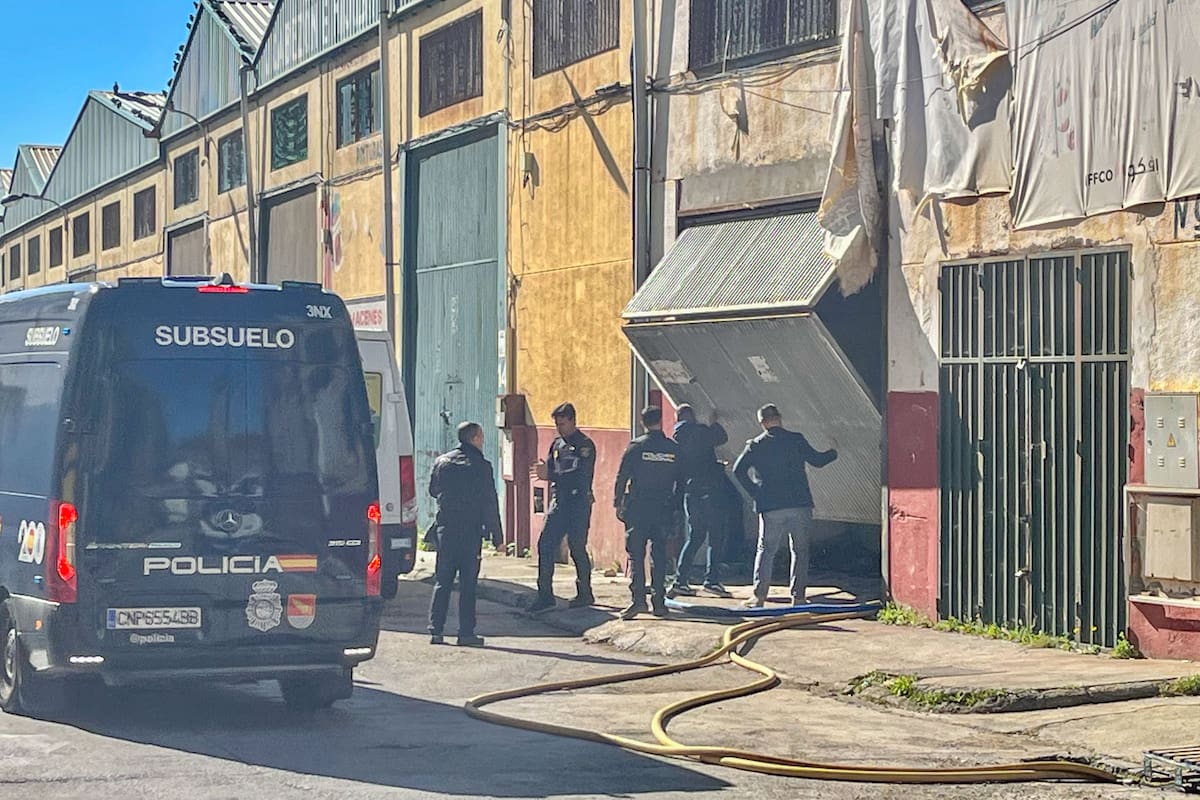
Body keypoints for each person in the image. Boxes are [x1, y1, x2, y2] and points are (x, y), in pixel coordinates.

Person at [732, 404, 838, 609]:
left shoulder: (755, 445)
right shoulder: (796, 439)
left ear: (762, 422)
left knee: (766, 550)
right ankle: (798, 597)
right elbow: (817, 460)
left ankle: (759, 597)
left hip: (770, 506)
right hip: (799, 504)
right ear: (780, 418)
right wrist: (833, 451)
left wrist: (756, 493)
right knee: (800, 550)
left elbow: (738, 470)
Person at [427, 421, 503, 647]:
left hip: (446, 529)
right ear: (476, 438)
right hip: (470, 531)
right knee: (468, 584)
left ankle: (435, 630)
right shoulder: (482, 466)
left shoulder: (442, 462)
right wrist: (497, 537)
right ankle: (466, 632)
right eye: (481, 436)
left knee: (443, 581)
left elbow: (433, 490)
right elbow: (490, 503)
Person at [527, 402, 596, 613]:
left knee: (577, 547)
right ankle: (545, 596)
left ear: (573, 421)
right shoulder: (557, 444)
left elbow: (581, 476)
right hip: (559, 501)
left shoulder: (584, 445)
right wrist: (544, 471)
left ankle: (585, 592)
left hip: (578, 502)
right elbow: (550, 467)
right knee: (545, 545)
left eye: (563, 424)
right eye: (557, 424)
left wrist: (551, 475)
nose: (560, 428)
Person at [614, 406, 682, 620]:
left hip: (639, 508)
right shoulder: (673, 448)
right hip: (663, 508)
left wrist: (618, 503)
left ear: (642, 422)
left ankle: (638, 601)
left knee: (636, 554)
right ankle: (659, 603)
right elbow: (682, 481)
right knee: (659, 555)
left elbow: (622, 476)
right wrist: (677, 507)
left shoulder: (636, 447)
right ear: (661, 420)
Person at [669, 404, 730, 598]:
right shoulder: (700, 431)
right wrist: (713, 422)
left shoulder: (676, 439)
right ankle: (711, 581)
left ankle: (680, 581)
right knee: (716, 536)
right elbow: (721, 438)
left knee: (695, 537)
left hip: (690, 493)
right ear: (692, 416)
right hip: (709, 493)